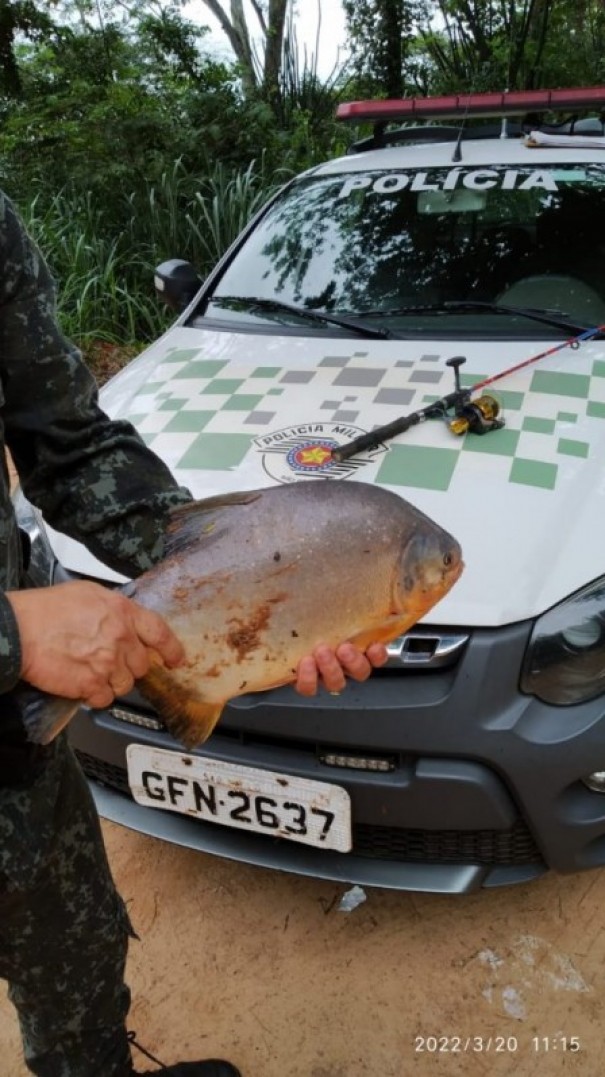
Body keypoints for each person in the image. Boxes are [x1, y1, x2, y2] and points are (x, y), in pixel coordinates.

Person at [0, 189, 387, 1077]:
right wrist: (9, 633)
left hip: (23, 736)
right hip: (30, 655)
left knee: (79, 956)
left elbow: (67, 441)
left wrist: (236, 573)